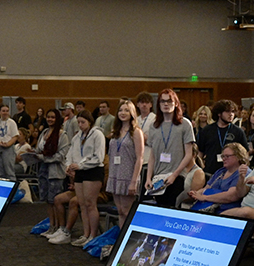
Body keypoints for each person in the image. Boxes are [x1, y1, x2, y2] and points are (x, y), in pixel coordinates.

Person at [144, 89, 196, 208]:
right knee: (160, 208)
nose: (166, 104)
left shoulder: (184, 124)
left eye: (169, 101)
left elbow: (189, 154)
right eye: (162, 101)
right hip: (158, 176)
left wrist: (174, 175)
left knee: (171, 207)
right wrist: (148, 178)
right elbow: (153, 155)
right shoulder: (154, 125)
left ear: (176, 103)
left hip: (176, 176)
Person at [62, 109, 106, 247]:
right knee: (82, 204)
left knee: (90, 204)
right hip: (80, 171)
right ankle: (85, 234)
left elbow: (99, 156)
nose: (80, 125)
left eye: (83, 122)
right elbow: (70, 153)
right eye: (79, 122)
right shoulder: (77, 137)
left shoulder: (97, 134)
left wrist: (80, 165)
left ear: (90, 122)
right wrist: (68, 166)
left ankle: (93, 235)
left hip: (93, 170)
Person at [106, 100, 144, 228]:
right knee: (120, 212)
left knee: (128, 212)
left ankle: (128, 241)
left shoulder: (136, 132)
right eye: (121, 110)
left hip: (128, 175)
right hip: (115, 174)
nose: (123, 113)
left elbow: (140, 158)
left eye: (126, 110)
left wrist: (134, 181)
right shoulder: (115, 131)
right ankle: (121, 241)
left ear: (132, 113)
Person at [35, 108, 71, 239]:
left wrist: (44, 158)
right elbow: (39, 149)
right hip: (43, 169)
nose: (50, 119)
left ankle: (60, 227)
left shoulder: (63, 135)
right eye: (48, 117)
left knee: (55, 200)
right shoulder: (44, 132)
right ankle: (52, 226)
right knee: (47, 201)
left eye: (53, 117)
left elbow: (61, 155)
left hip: (55, 171)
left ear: (57, 119)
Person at [187, 143, 249, 213]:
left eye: (227, 156)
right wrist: (196, 194)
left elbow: (231, 196)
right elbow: (206, 188)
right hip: (209, 207)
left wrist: (205, 198)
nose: (223, 159)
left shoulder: (243, 173)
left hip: (226, 210)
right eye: (223, 156)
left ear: (239, 156)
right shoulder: (221, 171)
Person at [197, 99, 248, 177]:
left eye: (233, 112)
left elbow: (245, 154)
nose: (231, 114)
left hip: (232, 173)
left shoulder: (238, 131)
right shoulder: (207, 130)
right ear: (219, 114)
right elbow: (200, 152)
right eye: (227, 112)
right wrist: (200, 168)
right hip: (210, 172)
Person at [0, 103, 18, 179]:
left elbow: (15, 136)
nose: (5, 113)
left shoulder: (12, 123)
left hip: (8, 148)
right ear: (0, 112)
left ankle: (12, 188)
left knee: (9, 171)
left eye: (7, 111)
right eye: (3, 111)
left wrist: (8, 144)